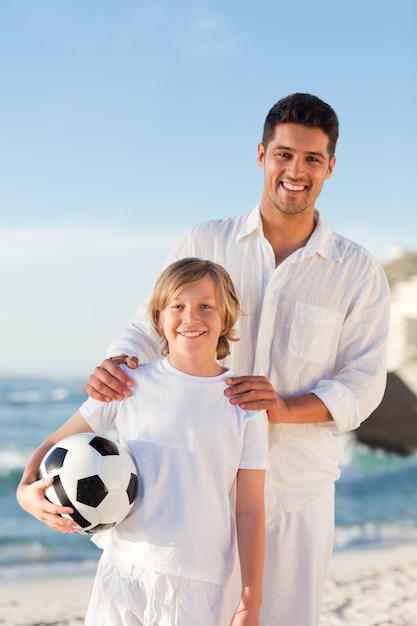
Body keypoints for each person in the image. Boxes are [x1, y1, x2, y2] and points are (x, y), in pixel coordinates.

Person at [86, 93, 391, 626]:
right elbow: (149, 323)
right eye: (284, 154)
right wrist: (116, 363)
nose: (296, 171)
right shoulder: (205, 239)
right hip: (191, 495)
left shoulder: (357, 271)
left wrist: (285, 407)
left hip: (296, 496)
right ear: (261, 155)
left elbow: (365, 383)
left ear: (331, 167)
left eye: (312, 159)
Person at [17, 258, 269, 626]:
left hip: (196, 582)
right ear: (159, 317)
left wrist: (251, 601)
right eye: (177, 306)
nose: (191, 317)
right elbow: (59, 440)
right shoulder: (129, 384)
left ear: (226, 317)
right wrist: (26, 490)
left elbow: (250, 510)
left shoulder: (244, 405)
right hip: (123, 568)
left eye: (205, 306)